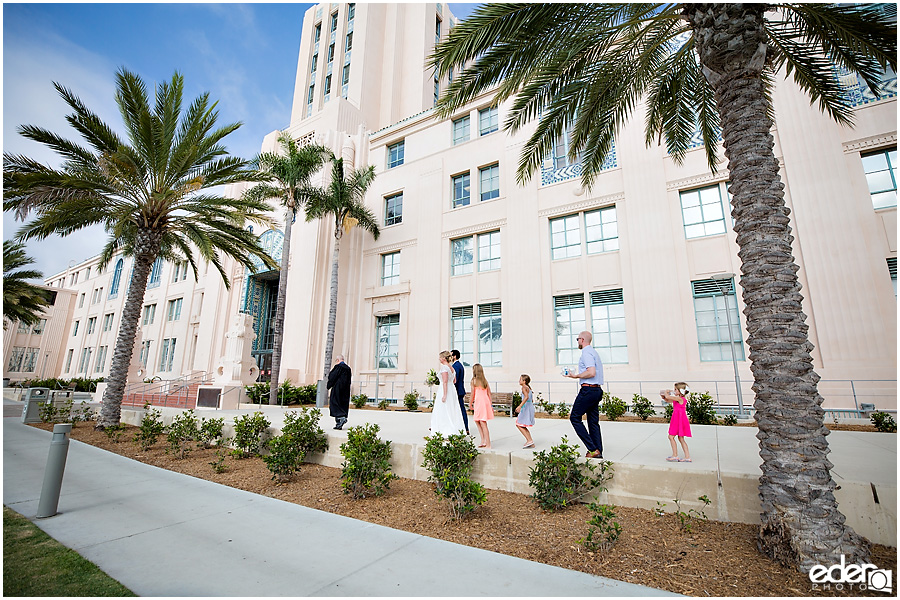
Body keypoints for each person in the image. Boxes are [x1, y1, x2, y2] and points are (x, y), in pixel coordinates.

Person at [564, 330, 604, 459]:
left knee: (574, 418)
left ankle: (592, 449)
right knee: (593, 422)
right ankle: (598, 450)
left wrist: (576, 376)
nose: (577, 342)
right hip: (597, 390)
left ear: (582, 340)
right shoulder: (594, 353)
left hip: (588, 390)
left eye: (577, 339)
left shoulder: (586, 352)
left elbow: (591, 372)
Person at [430, 351, 466, 436]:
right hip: (451, 390)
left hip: (445, 390)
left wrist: (445, 395)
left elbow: (445, 382)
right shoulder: (451, 368)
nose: (439, 359)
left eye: (440, 357)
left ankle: (444, 429)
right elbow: (454, 381)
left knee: (443, 409)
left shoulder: (444, 368)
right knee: (451, 409)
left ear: (443, 358)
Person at [661, 382, 692, 462]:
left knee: (671, 437)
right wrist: (664, 397)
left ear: (680, 391)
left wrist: (666, 392)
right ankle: (687, 457)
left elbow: (668, 396)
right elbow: (668, 400)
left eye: (675, 389)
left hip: (679, 419)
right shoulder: (677, 399)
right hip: (677, 419)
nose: (674, 391)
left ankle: (675, 455)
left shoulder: (681, 399)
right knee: (680, 438)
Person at [469, 363, 493, 448]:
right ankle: (483, 440)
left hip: (480, 402)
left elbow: (472, 394)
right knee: (478, 421)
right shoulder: (484, 381)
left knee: (482, 422)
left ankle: (488, 443)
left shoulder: (474, 381)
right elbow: (489, 393)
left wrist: (470, 403)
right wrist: (489, 404)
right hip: (484, 402)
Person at [326, 354, 352, 430]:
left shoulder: (338, 367)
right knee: (343, 404)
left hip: (337, 389)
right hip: (346, 390)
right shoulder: (348, 368)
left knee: (335, 403)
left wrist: (329, 385)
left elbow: (332, 377)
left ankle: (341, 418)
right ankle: (338, 423)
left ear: (337, 360)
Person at [450, 349, 469, 435]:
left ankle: (465, 427)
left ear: (454, 356)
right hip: (459, 390)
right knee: (459, 409)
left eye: (451, 355)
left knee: (461, 409)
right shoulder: (458, 365)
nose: (450, 357)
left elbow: (455, 380)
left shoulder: (456, 366)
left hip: (457, 391)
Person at [515, 373, 536, 449]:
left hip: (526, 408)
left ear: (524, 381)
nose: (519, 381)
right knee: (522, 424)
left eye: (520, 379)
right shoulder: (528, 388)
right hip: (529, 407)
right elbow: (531, 399)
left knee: (519, 424)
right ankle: (530, 441)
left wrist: (520, 406)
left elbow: (526, 397)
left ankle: (529, 440)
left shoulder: (524, 387)